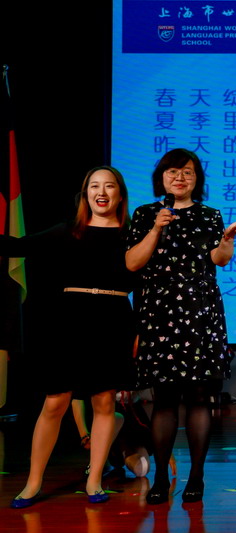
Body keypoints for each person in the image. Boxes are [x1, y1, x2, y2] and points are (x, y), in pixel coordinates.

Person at [126, 148, 236, 504]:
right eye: (173, 171)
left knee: (200, 398)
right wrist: (156, 228)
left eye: (188, 172)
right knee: (164, 399)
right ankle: (161, 477)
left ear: (197, 179)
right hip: (158, 314)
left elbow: (219, 260)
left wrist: (227, 240)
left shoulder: (210, 215)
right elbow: (133, 263)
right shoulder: (145, 214)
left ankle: (196, 476)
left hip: (200, 313)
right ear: (161, 177)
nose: (180, 178)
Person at [4, 166, 136, 507]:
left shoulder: (132, 234)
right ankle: (33, 482)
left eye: (109, 186)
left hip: (113, 321)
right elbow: (18, 246)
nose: (101, 192)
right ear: (85, 193)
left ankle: (94, 480)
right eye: (94, 186)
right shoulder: (68, 230)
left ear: (120, 194)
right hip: (70, 321)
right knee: (55, 402)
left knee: (104, 402)